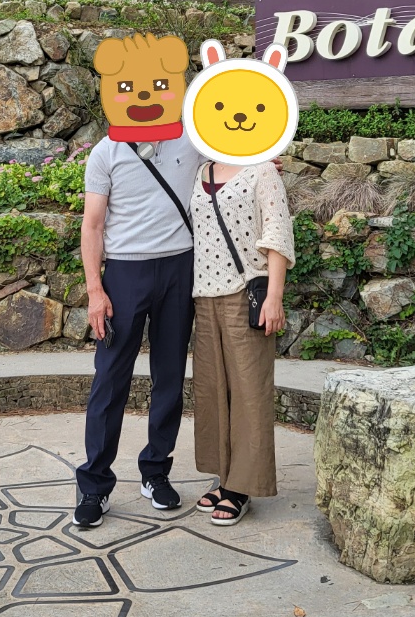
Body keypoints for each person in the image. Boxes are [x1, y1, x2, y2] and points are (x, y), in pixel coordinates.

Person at [73, 33, 201, 529]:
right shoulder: (105, 153)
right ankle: (94, 484)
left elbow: (234, 154)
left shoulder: (191, 139)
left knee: (170, 376)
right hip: (124, 272)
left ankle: (155, 472)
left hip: (179, 268)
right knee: (110, 379)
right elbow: (92, 226)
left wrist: (262, 157)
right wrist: (95, 291)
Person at [190, 159, 295, 525]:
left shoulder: (263, 171)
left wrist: (275, 296)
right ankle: (224, 478)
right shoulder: (201, 170)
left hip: (245, 292)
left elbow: (277, 233)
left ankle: (242, 488)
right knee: (212, 391)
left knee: (249, 391)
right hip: (204, 296)